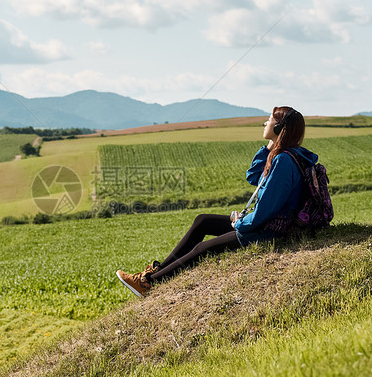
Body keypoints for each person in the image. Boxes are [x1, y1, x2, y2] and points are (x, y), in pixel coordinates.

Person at [115, 106, 319, 298]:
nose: (265, 123)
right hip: (265, 223)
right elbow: (254, 176)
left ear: (279, 128)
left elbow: (266, 209)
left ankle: (150, 283)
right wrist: (269, 147)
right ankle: (153, 272)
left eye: (269, 120)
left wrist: (239, 223)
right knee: (203, 220)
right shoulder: (280, 156)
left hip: (270, 231)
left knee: (204, 248)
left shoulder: (284, 162)